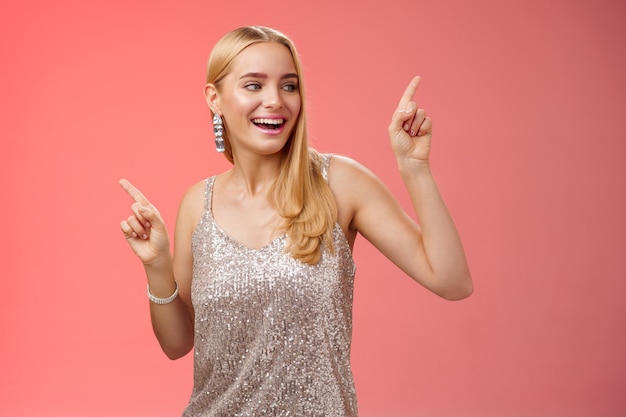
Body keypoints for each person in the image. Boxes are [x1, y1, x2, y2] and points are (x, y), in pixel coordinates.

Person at [119, 25, 473, 417]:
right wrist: (156, 265)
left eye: (289, 86)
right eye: (254, 85)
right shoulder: (197, 205)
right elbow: (177, 344)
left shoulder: (340, 184)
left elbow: (452, 281)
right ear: (214, 98)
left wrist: (414, 168)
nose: (275, 101)